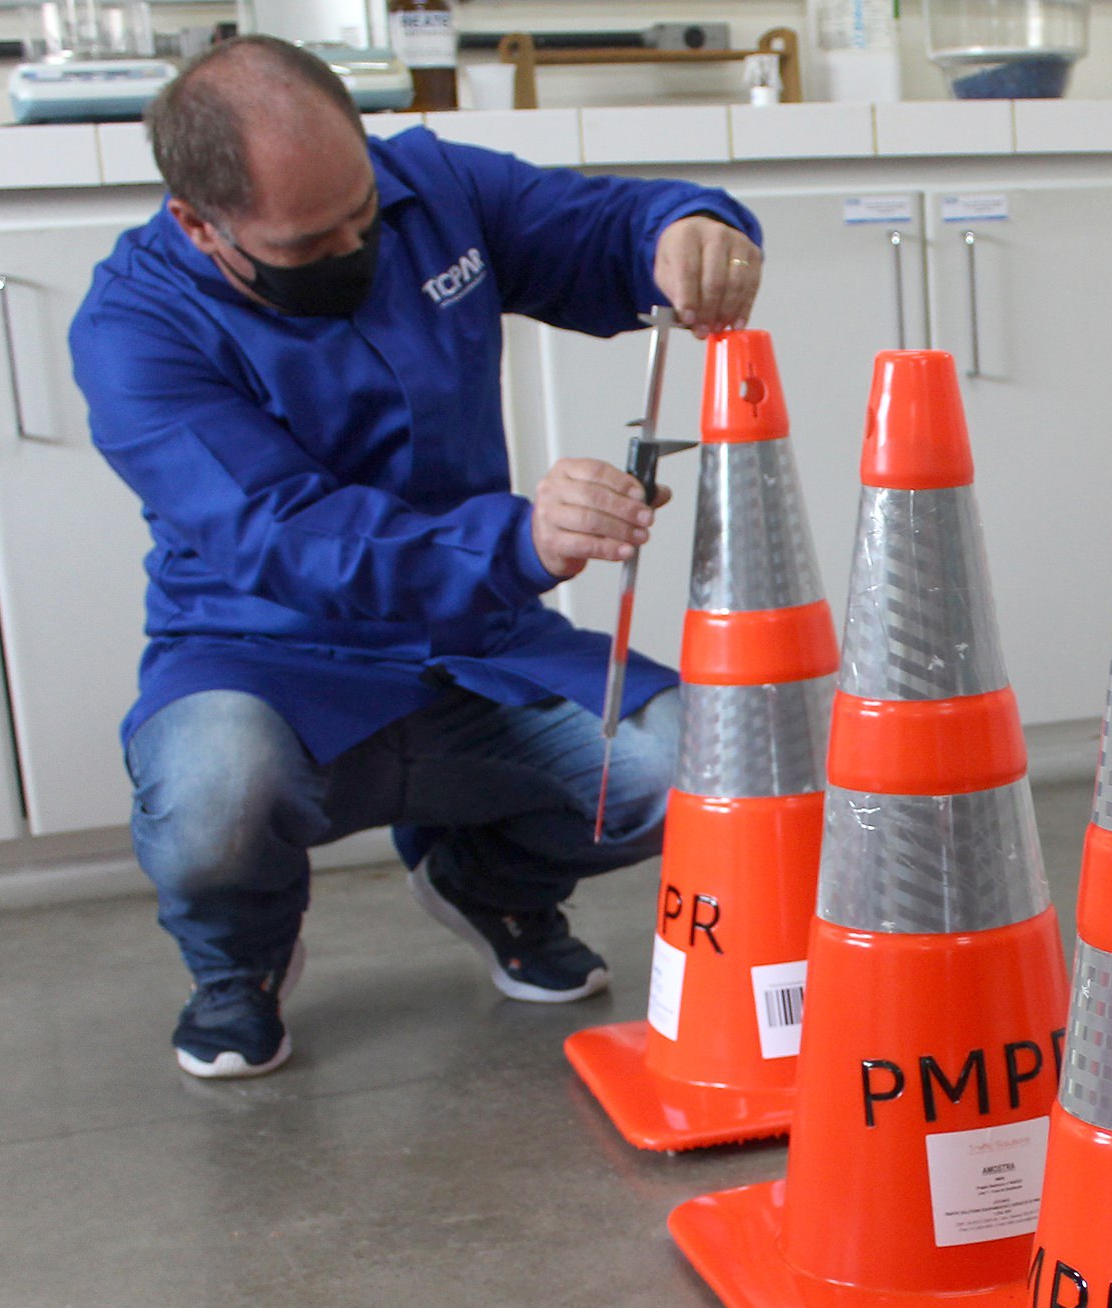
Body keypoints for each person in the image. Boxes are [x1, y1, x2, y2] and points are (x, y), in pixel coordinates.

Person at [71, 34, 763, 1079]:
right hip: (264, 654)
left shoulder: (428, 185)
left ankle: (491, 882)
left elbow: (603, 226)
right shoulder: (135, 328)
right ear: (199, 227)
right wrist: (519, 537)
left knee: (703, 768)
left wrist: (685, 232)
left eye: (364, 213)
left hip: (477, 637)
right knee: (217, 798)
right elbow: (281, 533)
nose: (358, 246)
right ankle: (239, 964)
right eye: (311, 244)